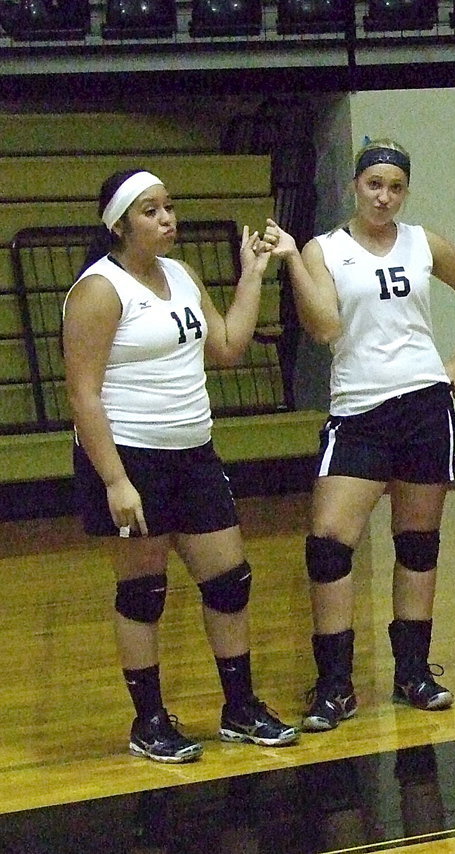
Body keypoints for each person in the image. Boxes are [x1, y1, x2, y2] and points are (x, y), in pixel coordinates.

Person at [63, 169, 299, 763]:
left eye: (168, 207)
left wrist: (251, 275)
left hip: (194, 453)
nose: (167, 219)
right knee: (143, 591)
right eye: (150, 211)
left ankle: (239, 707)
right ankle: (149, 721)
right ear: (119, 224)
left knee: (229, 580)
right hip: (130, 457)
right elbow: (83, 395)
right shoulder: (99, 290)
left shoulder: (183, 275)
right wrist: (115, 480)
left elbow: (226, 346)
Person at [281, 139, 455, 730]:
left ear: (406, 191)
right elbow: (324, 328)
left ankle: (414, 672)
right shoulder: (325, 249)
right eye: (374, 184)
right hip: (360, 411)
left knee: (418, 542)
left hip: (425, 406)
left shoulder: (424, 242)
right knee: (328, 543)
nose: (384, 196)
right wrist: (296, 263)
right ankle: (333, 684)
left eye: (395, 186)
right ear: (356, 186)